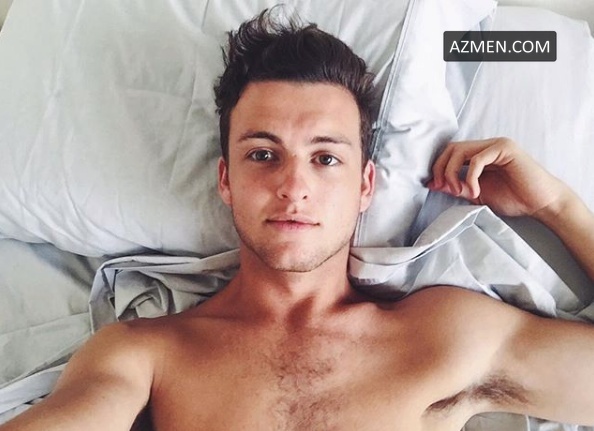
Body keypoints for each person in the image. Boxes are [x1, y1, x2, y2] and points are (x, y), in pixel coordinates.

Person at [2, 8, 594, 431]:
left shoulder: (441, 336)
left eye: (326, 158)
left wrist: (556, 206)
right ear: (225, 180)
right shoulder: (146, 356)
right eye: (264, 154)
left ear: (365, 186)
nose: (293, 186)